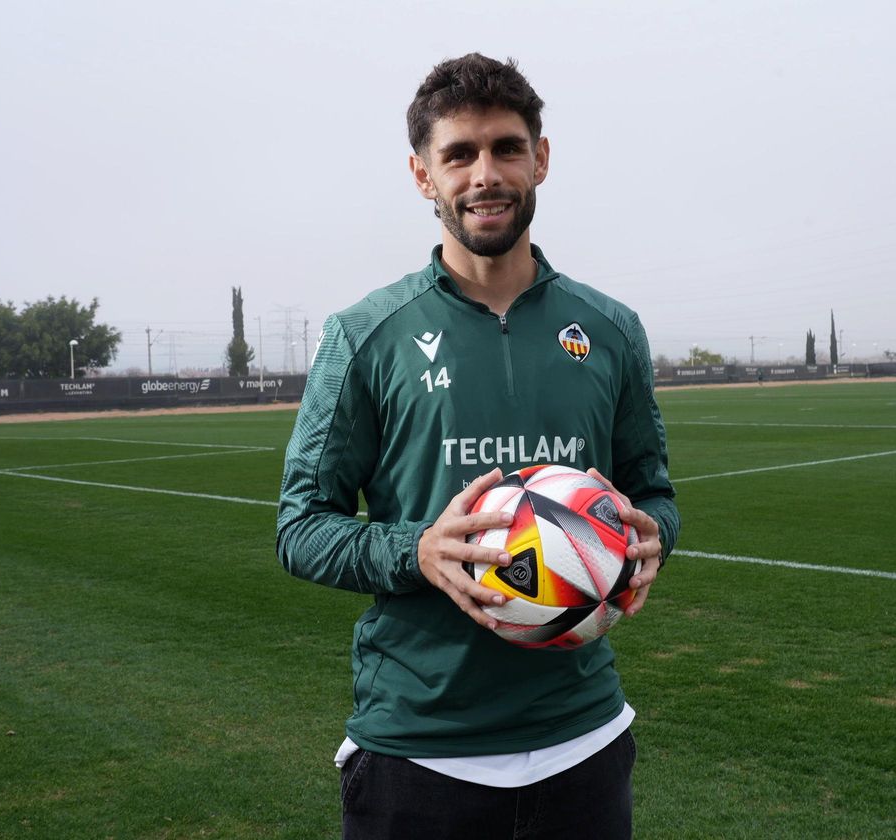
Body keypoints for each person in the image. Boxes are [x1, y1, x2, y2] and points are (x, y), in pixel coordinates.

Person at [276, 53, 679, 839]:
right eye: (458, 154)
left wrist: (654, 534)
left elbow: (653, 492)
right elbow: (301, 526)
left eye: (505, 147)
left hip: (584, 742)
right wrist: (418, 550)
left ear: (542, 159)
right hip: (420, 757)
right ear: (424, 175)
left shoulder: (610, 328)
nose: (484, 174)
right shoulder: (365, 335)